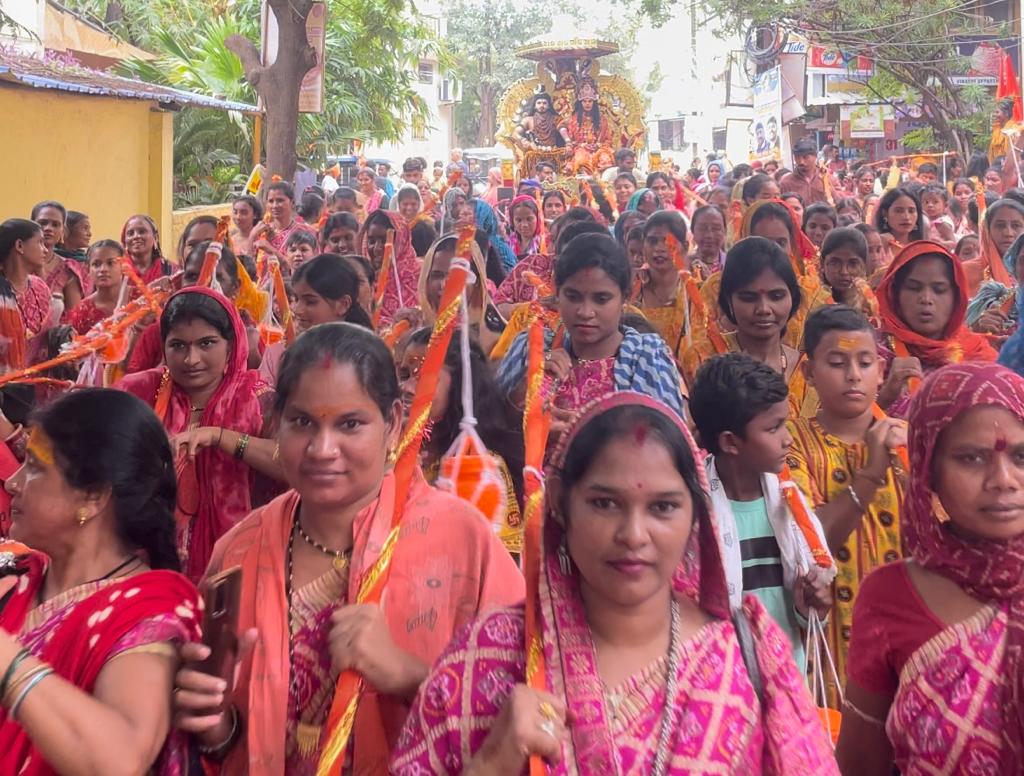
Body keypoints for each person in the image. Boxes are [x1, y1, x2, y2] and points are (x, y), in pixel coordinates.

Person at [393, 391, 839, 774]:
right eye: (605, 503)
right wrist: (492, 761)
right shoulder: (493, 655)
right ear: (561, 508)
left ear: (695, 518)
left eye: (663, 507)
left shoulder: (747, 657)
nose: (633, 534)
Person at [171, 322, 523, 773]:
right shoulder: (239, 550)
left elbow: (523, 715)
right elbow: (224, 739)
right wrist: (217, 727)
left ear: (393, 423)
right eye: (301, 423)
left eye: (350, 424)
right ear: (276, 423)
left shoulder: (463, 542)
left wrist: (410, 676)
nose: (322, 449)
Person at [0, 389, 202, 775]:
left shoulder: (149, 612)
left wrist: (8, 664)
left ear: (92, 497)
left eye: (36, 467)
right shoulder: (19, 575)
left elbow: (119, 759)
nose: (13, 482)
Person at [836, 362, 1024, 774]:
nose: (1003, 479)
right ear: (928, 472)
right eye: (971, 459)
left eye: (1021, 456)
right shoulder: (892, 595)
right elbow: (860, 762)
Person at [786, 306, 908, 706]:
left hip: (905, 639)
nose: (853, 374)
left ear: (880, 371)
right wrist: (871, 471)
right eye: (837, 363)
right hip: (830, 646)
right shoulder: (792, 443)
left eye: (865, 362)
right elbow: (810, 544)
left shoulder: (907, 443)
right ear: (809, 373)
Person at [689, 353, 833, 664]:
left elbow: (800, 616)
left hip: (785, 671)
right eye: (774, 428)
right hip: (721, 678)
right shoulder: (693, 513)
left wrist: (811, 609)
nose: (788, 439)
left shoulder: (790, 507)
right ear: (730, 442)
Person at [116, 288, 266, 580]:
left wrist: (220, 437)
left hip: (238, 563)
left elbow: (290, 462)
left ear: (231, 346)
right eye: (178, 346)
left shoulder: (259, 400)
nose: (191, 359)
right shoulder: (139, 392)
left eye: (207, 343)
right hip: (144, 561)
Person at [498, 232, 685, 422]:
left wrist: (582, 436)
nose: (585, 312)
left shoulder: (648, 358)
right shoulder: (530, 348)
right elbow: (488, 434)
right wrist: (528, 383)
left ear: (625, 299)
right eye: (573, 297)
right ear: (557, 294)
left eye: (601, 299)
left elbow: (668, 444)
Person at [398, 328, 524, 553]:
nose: (406, 388)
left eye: (424, 377)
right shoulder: (395, 449)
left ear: (460, 385)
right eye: (405, 375)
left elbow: (493, 561)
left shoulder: (478, 466)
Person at [682, 237, 817, 418]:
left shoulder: (808, 371)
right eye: (748, 297)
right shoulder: (702, 358)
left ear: (792, 298)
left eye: (776, 296)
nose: (763, 309)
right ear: (729, 301)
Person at [875, 240, 997, 412]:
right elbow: (842, 431)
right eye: (913, 288)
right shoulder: (872, 354)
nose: (926, 299)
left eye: (939, 290)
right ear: (895, 294)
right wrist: (887, 394)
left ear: (956, 298)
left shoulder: (977, 355)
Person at [260, 253, 373, 386]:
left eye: (310, 302)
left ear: (343, 304)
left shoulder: (365, 358)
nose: (297, 310)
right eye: (296, 299)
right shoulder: (279, 355)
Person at [634, 211, 700, 356]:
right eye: (652, 241)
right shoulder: (632, 293)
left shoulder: (697, 292)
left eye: (668, 241)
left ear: (685, 246)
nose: (659, 248)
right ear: (643, 244)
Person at [0, 219, 53, 368]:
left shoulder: (39, 287)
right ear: (20, 246)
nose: (46, 250)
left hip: (38, 379)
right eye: (40, 242)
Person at [359, 210, 420, 327]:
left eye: (385, 241)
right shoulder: (362, 278)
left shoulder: (419, 277)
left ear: (401, 242)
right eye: (371, 241)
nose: (376, 248)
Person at [963, 197, 1024, 296]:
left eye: (1016, 225)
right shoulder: (966, 272)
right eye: (1000, 225)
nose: (1008, 233)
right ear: (987, 230)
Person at [32, 201, 85, 312]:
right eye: (43, 223)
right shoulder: (16, 261)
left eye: (55, 225)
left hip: (56, 329)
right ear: (31, 225)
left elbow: (73, 315)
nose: (48, 228)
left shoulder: (68, 269)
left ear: (62, 231)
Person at [68, 239, 125, 335]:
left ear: (123, 266)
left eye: (111, 263)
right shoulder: (82, 311)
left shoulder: (140, 299)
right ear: (87, 269)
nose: (103, 269)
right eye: (96, 264)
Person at [819, 227, 878, 317]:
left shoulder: (870, 304)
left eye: (853, 264)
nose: (844, 272)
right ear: (822, 263)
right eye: (835, 263)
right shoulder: (810, 300)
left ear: (864, 265)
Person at [874, 188, 925, 269]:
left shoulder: (922, 247)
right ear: (885, 213)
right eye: (898, 211)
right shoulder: (877, 244)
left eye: (911, 211)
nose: (906, 217)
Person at [121, 214, 172, 284]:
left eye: (142, 232)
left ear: (155, 237)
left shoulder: (171, 271)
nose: (136, 236)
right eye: (130, 233)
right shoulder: (117, 271)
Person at [780, 138, 828, 205]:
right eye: (797, 157)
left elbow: (838, 203)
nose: (801, 162)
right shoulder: (786, 182)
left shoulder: (827, 178)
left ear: (815, 156)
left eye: (805, 157)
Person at [508, 194, 543, 260]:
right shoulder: (509, 244)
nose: (524, 225)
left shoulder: (543, 244)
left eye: (529, 219)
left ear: (538, 218)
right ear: (512, 221)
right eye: (519, 220)